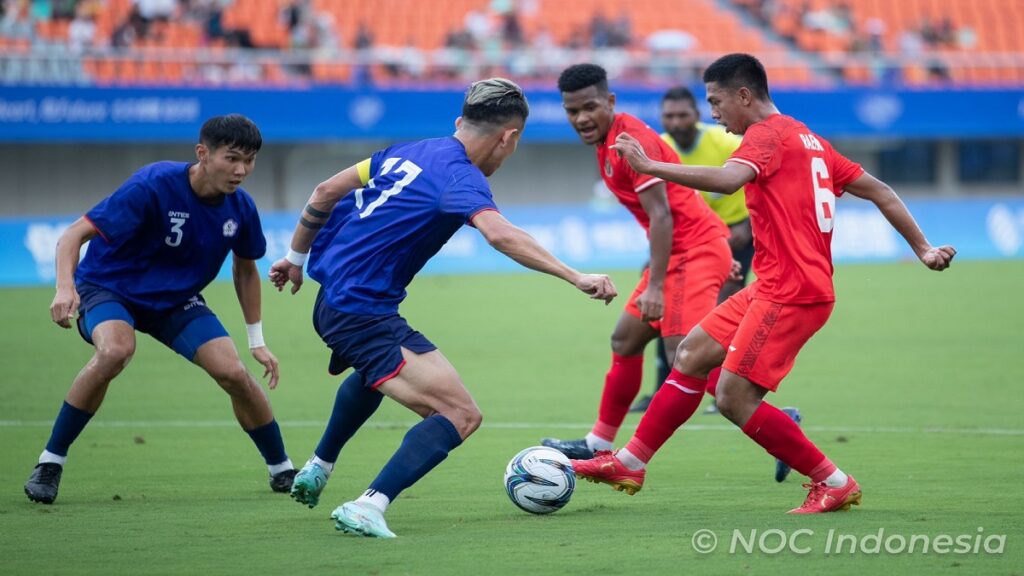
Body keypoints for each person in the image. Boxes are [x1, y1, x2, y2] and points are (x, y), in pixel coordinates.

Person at [572, 53, 956, 513]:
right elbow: (881, 190)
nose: (713, 113)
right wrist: (923, 248)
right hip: (773, 284)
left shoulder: (766, 136)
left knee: (734, 397)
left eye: (715, 102)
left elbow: (728, 181)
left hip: (792, 292)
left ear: (744, 95)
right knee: (692, 353)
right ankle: (630, 461)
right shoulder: (808, 138)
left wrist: (651, 165)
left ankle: (832, 480)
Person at [268, 78, 617, 538]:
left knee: (376, 376)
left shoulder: (403, 152)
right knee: (460, 414)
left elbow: (322, 192)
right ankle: (369, 506)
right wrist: (576, 275)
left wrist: (294, 259)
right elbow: (501, 235)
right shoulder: (460, 178)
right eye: (513, 145)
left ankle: (319, 465)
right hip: (361, 311)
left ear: (459, 122)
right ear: (508, 137)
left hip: (332, 299)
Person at [25, 114, 296, 505]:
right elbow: (72, 235)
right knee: (115, 351)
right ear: (203, 154)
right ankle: (50, 462)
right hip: (108, 288)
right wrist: (64, 288)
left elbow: (245, 269)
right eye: (232, 158)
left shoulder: (241, 208)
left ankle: (282, 469)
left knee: (233, 372)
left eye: (249, 161)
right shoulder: (153, 185)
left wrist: (257, 340)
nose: (241, 171)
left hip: (174, 301)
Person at [540, 64, 733, 462]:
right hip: (685, 252)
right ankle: (599, 443)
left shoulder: (631, 142)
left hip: (692, 251)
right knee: (625, 339)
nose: (581, 118)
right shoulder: (606, 142)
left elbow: (662, 216)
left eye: (589, 107)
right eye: (571, 111)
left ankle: (778, 419)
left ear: (610, 101)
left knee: (688, 356)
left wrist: (658, 286)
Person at [630, 86, 802, 483]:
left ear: (696, 114)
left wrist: (739, 229)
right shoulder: (662, 145)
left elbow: (738, 181)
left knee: (694, 339)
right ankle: (660, 399)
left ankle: (748, 406)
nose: (676, 123)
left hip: (734, 240)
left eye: (683, 114)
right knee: (667, 335)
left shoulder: (721, 137)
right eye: (668, 117)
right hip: (690, 244)